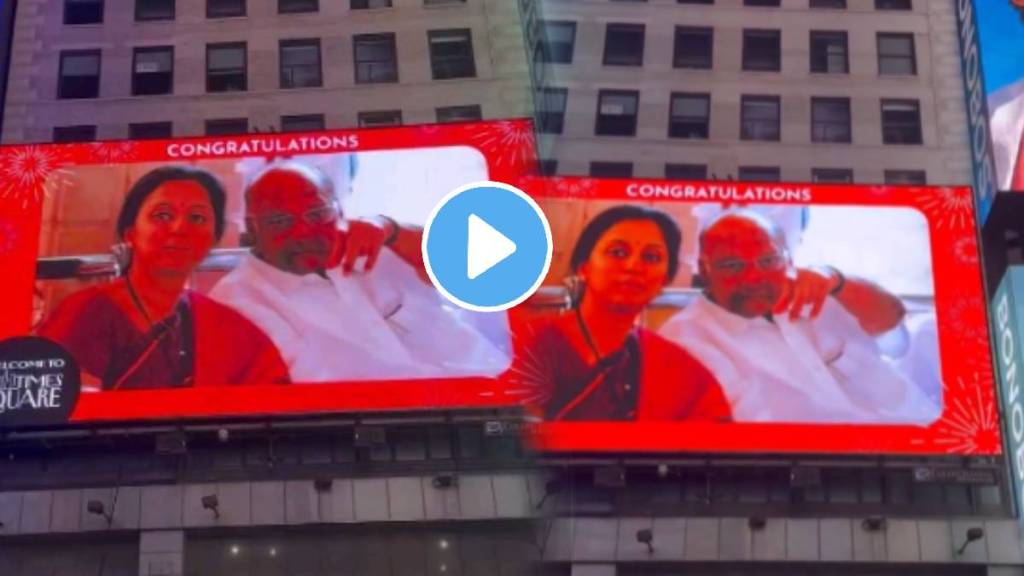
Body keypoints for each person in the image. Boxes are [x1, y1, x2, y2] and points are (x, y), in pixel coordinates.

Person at [208, 161, 509, 381]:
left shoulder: (373, 243)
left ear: (338, 210)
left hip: (500, 379)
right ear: (252, 229)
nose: (303, 231)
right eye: (279, 221)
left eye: (316, 213)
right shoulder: (234, 304)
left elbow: (476, 267)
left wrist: (391, 229)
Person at [659, 209, 939, 424]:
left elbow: (894, 327)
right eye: (732, 265)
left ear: (788, 258)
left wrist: (837, 281)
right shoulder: (684, 341)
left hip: (926, 420)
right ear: (703, 270)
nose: (754, 277)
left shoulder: (819, 292)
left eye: (768, 261)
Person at [38, 166, 290, 391]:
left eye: (197, 218)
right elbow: (63, 412)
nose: (180, 228)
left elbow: (275, 400)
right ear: (130, 232)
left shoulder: (224, 325)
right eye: (162, 215)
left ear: (214, 239)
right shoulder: (86, 313)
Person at [512, 205, 732, 422]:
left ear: (664, 280)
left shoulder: (677, 369)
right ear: (584, 267)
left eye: (651, 257)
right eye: (618, 252)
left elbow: (717, 438)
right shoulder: (523, 345)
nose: (633, 266)